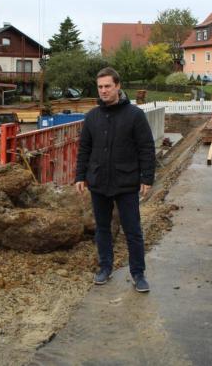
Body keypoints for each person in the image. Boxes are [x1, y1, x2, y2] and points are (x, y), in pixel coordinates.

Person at [75, 67, 156, 293]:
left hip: (126, 182)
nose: (104, 91)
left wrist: (147, 178)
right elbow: (84, 149)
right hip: (99, 181)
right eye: (100, 87)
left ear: (118, 86)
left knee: (133, 230)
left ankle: (138, 273)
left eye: (108, 86)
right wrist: (80, 176)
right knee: (102, 228)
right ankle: (105, 267)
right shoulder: (92, 117)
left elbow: (146, 149)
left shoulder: (134, 115)